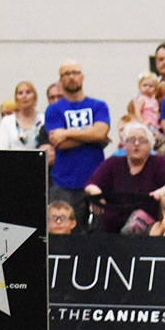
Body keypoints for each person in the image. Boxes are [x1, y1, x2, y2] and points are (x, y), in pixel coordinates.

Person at [44, 60, 110, 231]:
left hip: (96, 181)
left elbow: (101, 132)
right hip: (64, 183)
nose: (72, 77)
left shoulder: (98, 106)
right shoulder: (53, 110)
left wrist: (67, 132)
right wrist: (93, 136)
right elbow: (61, 144)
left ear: (82, 77)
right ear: (60, 80)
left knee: (97, 231)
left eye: (75, 73)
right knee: (64, 232)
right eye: (67, 74)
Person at [83, 122, 165, 234]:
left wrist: (160, 192)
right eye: (131, 140)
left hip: (148, 228)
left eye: (142, 140)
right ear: (124, 144)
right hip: (111, 228)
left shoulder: (160, 163)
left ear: (150, 145)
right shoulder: (113, 163)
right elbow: (91, 185)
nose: (136, 144)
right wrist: (97, 195)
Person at [0, 81, 43, 151]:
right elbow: (2, 149)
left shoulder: (44, 119)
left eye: (28, 92)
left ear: (35, 97)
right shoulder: (7, 121)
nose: (24, 96)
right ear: (16, 99)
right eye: (20, 93)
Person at [130, 71, 162, 135]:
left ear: (155, 88)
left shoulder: (154, 100)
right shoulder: (142, 99)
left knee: (156, 134)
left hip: (154, 123)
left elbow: (156, 112)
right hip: (146, 123)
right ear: (140, 87)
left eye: (151, 86)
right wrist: (142, 122)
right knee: (152, 134)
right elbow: (137, 111)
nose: (147, 88)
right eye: (145, 85)